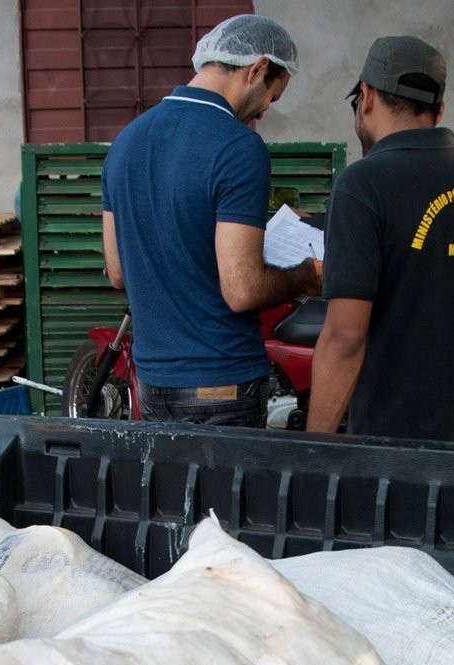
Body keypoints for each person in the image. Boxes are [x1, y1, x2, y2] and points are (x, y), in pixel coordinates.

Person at [307, 36, 454, 443]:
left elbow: (344, 338)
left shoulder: (361, 185)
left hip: (390, 448)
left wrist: (314, 451)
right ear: (439, 109)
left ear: (367, 96)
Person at [100, 14, 321, 427]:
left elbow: (116, 271)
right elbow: (242, 289)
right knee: (229, 495)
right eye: (274, 94)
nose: (269, 108)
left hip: (152, 381)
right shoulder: (238, 147)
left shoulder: (125, 142)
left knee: (170, 492)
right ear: (256, 69)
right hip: (222, 382)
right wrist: (306, 276)